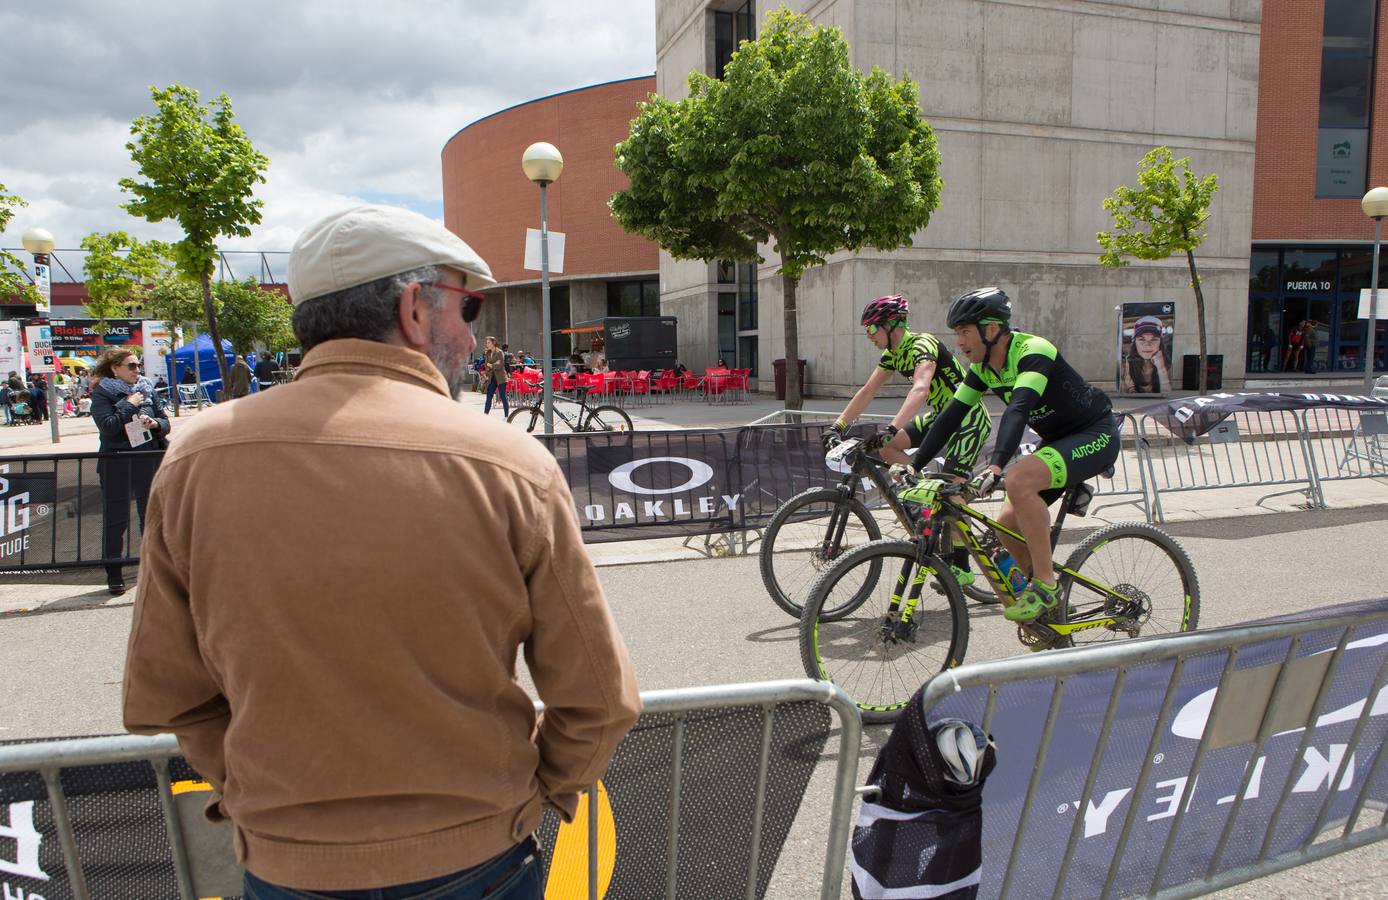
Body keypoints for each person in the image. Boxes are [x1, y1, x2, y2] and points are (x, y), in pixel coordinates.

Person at [122, 204, 641, 900]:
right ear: (414, 310)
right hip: (478, 858)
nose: (471, 332)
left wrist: (269, 801)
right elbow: (601, 700)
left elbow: (168, 692)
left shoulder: (195, 459)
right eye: (470, 306)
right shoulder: (509, 463)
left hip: (283, 866)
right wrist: (524, 795)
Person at [911, 287, 1120, 623]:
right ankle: (1048, 603)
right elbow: (951, 416)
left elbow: (1018, 409)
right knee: (1006, 524)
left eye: (965, 332)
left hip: (1094, 434)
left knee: (1017, 479)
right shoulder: (982, 368)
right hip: (1057, 441)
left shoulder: (1033, 351)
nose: (960, 342)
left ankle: (1047, 584)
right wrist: (914, 463)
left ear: (991, 329)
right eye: (957, 333)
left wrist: (996, 465)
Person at [823, 294, 993, 584]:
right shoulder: (892, 354)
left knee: (951, 496)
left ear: (890, 325)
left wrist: (892, 425)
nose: (869, 337)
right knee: (890, 448)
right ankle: (927, 494)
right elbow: (867, 390)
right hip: (941, 416)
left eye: (871, 330)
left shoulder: (922, 344)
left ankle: (963, 568)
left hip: (968, 419)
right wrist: (838, 426)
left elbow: (921, 388)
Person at [89, 347, 169, 596]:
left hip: (147, 459)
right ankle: (114, 574)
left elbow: (164, 421)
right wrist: (127, 404)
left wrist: (156, 424)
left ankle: (153, 570)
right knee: (116, 519)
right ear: (115, 369)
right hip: (117, 462)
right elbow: (109, 427)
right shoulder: (102, 394)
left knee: (151, 517)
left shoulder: (146, 388)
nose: (137, 370)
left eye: (138, 365)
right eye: (131, 366)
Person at [1120, 315, 1172, 394]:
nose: (1147, 345)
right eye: (1141, 339)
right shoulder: (1128, 363)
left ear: (1160, 343)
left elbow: (1166, 393)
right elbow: (1129, 391)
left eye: (1154, 339)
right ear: (1135, 343)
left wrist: (1161, 368)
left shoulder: (1168, 363)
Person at [482, 335, 510, 415]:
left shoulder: (499, 352)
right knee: (489, 397)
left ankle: (506, 416)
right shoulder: (487, 353)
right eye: (486, 343)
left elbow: (500, 365)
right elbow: (486, 365)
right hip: (491, 378)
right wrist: (493, 364)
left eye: (488, 342)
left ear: (493, 343)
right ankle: (485, 415)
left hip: (501, 378)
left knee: (503, 397)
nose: (487, 344)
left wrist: (491, 365)